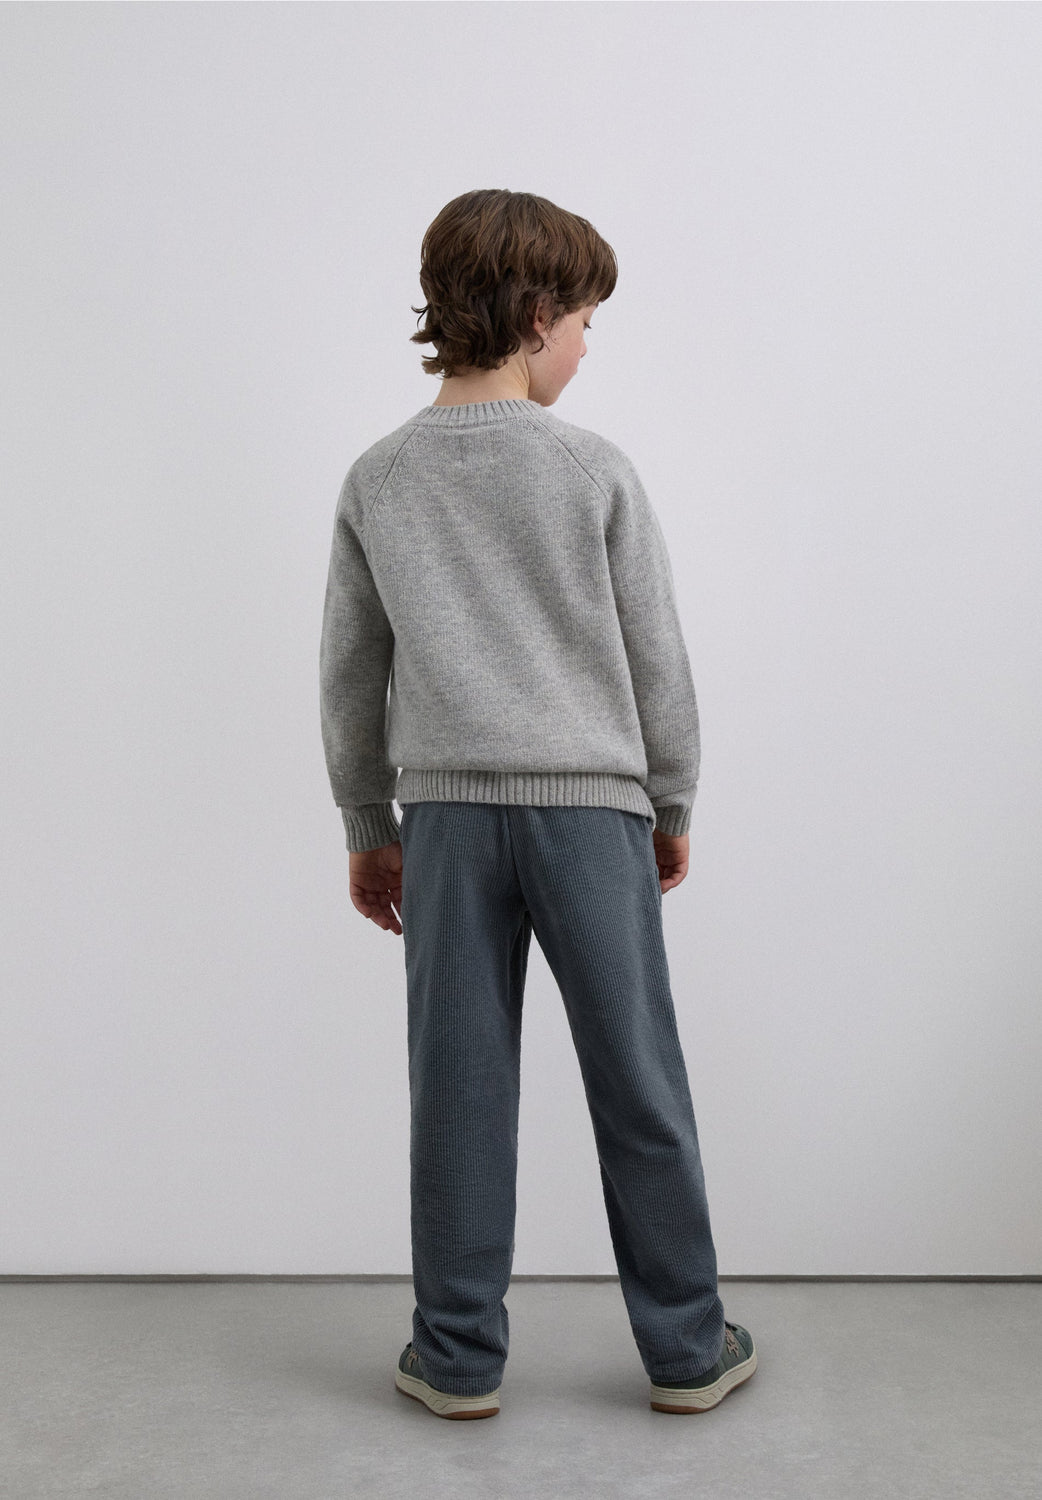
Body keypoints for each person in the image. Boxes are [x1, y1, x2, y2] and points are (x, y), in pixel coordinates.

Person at [318, 188, 756, 1421]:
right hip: (591, 818)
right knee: (638, 1079)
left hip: (446, 824)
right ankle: (687, 1349)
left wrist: (368, 826)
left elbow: (351, 672)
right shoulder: (590, 469)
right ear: (536, 315)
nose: (586, 349)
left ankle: (457, 1358)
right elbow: (656, 657)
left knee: (456, 1089)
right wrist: (670, 800)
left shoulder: (379, 477)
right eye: (585, 324)